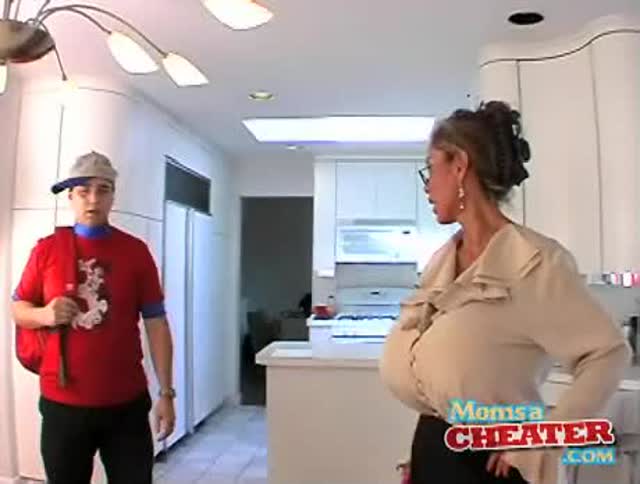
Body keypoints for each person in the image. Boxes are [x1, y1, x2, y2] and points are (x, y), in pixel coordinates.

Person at [379, 101, 630, 484]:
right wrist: (422, 454)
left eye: (431, 168)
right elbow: (442, 373)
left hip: (489, 466)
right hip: (433, 450)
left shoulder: (534, 262)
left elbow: (608, 353)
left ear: (460, 165)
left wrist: (542, 438)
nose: (427, 186)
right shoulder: (442, 260)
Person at [12, 151, 176, 484]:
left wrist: (166, 394)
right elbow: (18, 309)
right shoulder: (46, 250)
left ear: (113, 196)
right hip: (63, 404)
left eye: (103, 190)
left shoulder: (135, 252)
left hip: (126, 404)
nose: (93, 199)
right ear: (70, 197)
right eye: (83, 191)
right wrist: (45, 314)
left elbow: (157, 324)